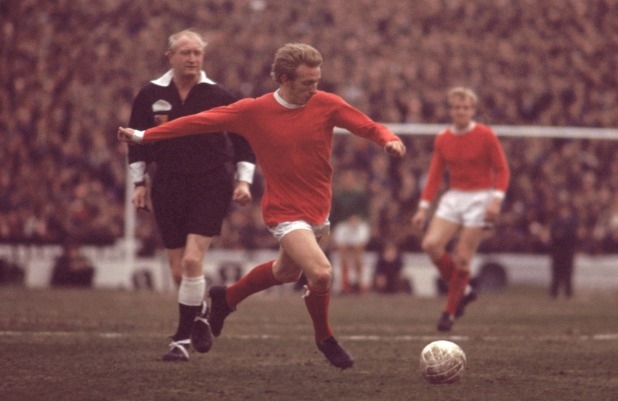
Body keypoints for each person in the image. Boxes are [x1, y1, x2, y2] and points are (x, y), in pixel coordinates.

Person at [118, 43, 406, 369]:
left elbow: (367, 125)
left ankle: (225, 299)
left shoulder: (327, 103)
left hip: (317, 206)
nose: (315, 89)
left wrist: (389, 140)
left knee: (286, 272)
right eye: (307, 83)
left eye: (317, 81)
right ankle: (325, 338)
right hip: (284, 209)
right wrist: (143, 136)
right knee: (321, 273)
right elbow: (197, 122)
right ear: (284, 79)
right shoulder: (254, 111)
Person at [125, 29, 256, 362]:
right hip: (167, 183)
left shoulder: (219, 94)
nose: (192, 58)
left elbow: (244, 141)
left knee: (192, 260)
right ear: (170, 56)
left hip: (211, 182)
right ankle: (200, 311)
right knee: (178, 272)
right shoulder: (150, 94)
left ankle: (181, 340)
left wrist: (244, 182)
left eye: (197, 53)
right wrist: (139, 183)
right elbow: (137, 142)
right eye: (186, 53)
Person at [411, 87, 510, 332]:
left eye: (465, 107)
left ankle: (449, 312)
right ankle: (464, 290)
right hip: (455, 197)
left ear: (473, 110)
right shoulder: (443, 138)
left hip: (481, 198)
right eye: (456, 107)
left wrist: (496, 200)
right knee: (431, 244)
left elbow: (502, 170)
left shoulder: (485, 135)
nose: (461, 111)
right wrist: (423, 208)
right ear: (450, 110)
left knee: (463, 256)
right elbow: (435, 175)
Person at [330, 169, 371, 294]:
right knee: (343, 256)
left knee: (358, 254)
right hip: (343, 224)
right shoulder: (338, 195)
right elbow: (335, 214)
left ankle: (360, 282)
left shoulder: (360, 194)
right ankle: (345, 284)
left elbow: (366, 212)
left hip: (358, 224)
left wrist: (358, 218)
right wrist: (332, 228)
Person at [548, 204, 579, 298]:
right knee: (556, 273)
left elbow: (573, 235)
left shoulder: (573, 223)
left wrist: (563, 234)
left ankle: (568, 293)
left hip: (568, 251)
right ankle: (554, 292)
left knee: (568, 273)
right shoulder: (555, 222)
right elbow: (553, 234)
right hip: (557, 251)